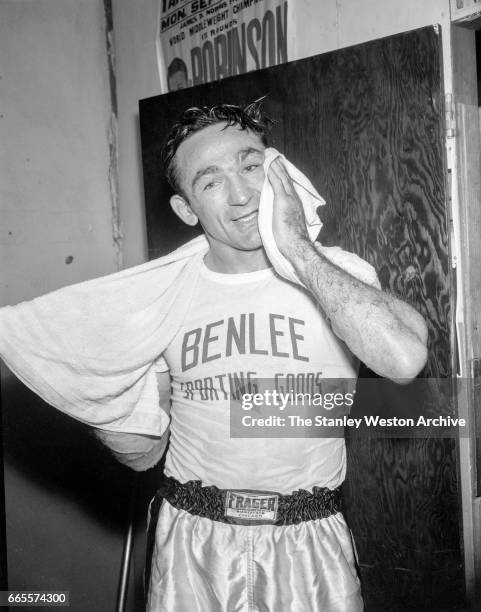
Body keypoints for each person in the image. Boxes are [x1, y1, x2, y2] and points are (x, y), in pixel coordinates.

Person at [96, 100, 428, 611]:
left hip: (307, 539)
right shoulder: (162, 294)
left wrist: (295, 246)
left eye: (251, 166)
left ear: (277, 169)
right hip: (193, 540)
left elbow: (404, 359)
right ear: (187, 209)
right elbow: (143, 453)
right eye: (211, 182)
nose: (242, 194)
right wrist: (98, 396)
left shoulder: (339, 274)